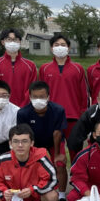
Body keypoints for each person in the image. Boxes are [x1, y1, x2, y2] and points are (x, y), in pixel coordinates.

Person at [16, 81, 69, 201]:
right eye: (35, 97)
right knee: (30, 166)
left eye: (42, 96)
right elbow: (24, 135)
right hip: (34, 142)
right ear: (30, 97)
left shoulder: (58, 110)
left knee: (60, 164)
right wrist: (32, 154)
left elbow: (57, 133)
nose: (38, 100)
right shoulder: (23, 113)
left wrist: (56, 155)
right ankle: (32, 195)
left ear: (48, 96)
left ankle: (61, 197)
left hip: (53, 141)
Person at [38, 34, 89, 162]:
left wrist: (83, 115)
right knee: (57, 155)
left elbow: (84, 94)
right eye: (56, 45)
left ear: (68, 48)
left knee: (75, 152)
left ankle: (77, 179)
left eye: (63, 45)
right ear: (51, 48)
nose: (59, 47)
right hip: (52, 117)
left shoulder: (78, 69)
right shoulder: (45, 68)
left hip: (73, 117)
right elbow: (40, 94)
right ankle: (57, 181)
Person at [0, 28, 37, 107]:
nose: (12, 42)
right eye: (9, 39)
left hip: (24, 109)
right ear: (3, 42)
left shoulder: (30, 65)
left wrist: (23, 106)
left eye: (15, 39)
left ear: (20, 42)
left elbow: (32, 89)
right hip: (2, 108)